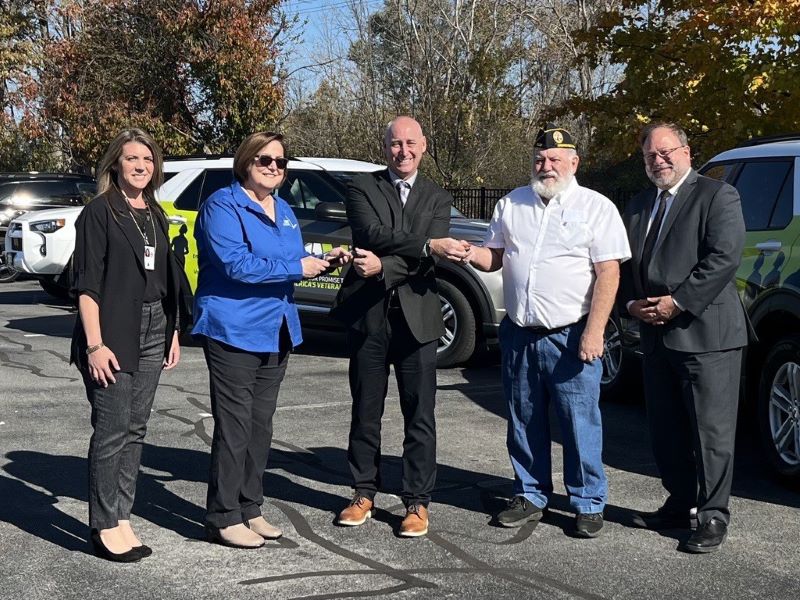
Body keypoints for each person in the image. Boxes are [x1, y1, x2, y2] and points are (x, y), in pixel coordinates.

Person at [464, 124, 630, 538]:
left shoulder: (596, 207)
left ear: (574, 162)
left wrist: (595, 332)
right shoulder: (511, 203)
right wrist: (468, 252)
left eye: (556, 159)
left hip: (571, 334)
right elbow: (494, 258)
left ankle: (587, 501)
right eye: (540, 159)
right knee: (523, 418)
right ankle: (530, 493)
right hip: (519, 332)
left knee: (579, 423)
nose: (546, 166)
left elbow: (609, 273)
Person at [192, 131, 349, 549]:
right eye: (265, 160)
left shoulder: (283, 208)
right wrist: (298, 267)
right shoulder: (222, 206)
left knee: (260, 426)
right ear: (246, 161)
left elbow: (289, 260)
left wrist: (324, 260)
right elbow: (236, 265)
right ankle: (223, 516)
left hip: (276, 329)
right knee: (234, 426)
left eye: (281, 162)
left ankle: (250, 507)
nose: (274, 167)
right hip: (233, 329)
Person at [331, 116, 469, 537]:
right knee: (365, 410)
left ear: (423, 146)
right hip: (368, 316)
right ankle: (363, 493)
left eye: (410, 143)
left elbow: (429, 260)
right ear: (385, 146)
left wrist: (386, 265)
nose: (403, 151)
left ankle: (417, 501)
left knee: (419, 414)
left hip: (419, 320)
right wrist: (425, 244)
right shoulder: (362, 187)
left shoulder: (438, 197)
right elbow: (371, 233)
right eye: (395, 143)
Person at [620, 122, 747, 553]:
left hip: (707, 335)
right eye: (650, 155)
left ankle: (712, 516)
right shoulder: (639, 205)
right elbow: (624, 264)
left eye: (666, 152)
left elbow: (724, 257)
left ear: (687, 153)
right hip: (655, 337)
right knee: (666, 431)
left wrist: (677, 302)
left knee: (711, 433)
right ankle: (679, 503)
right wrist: (630, 303)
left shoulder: (717, 196)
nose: (659, 161)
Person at [71, 128, 183, 562]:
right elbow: (86, 286)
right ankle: (103, 526)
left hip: (156, 326)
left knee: (136, 429)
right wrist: (94, 346)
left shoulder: (154, 212)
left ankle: (121, 516)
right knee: (112, 429)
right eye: (132, 158)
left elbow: (164, 278)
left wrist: (173, 330)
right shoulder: (99, 213)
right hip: (112, 330)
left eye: (148, 159)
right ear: (115, 163)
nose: (141, 166)